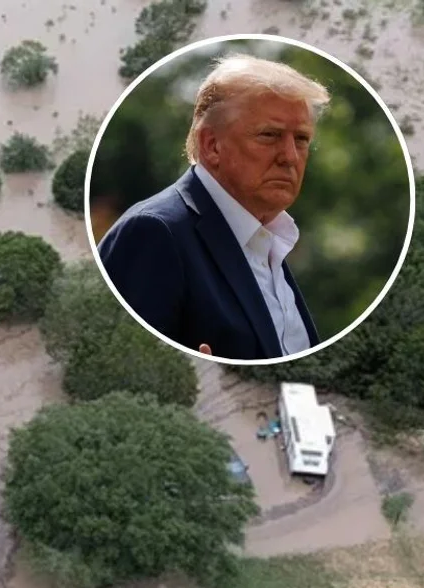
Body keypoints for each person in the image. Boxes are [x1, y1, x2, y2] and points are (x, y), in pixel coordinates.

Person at [97, 53, 330, 360]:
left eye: (301, 139)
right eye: (269, 135)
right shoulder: (154, 232)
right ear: (211, 145)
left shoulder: (266, 240)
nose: (290, 156)